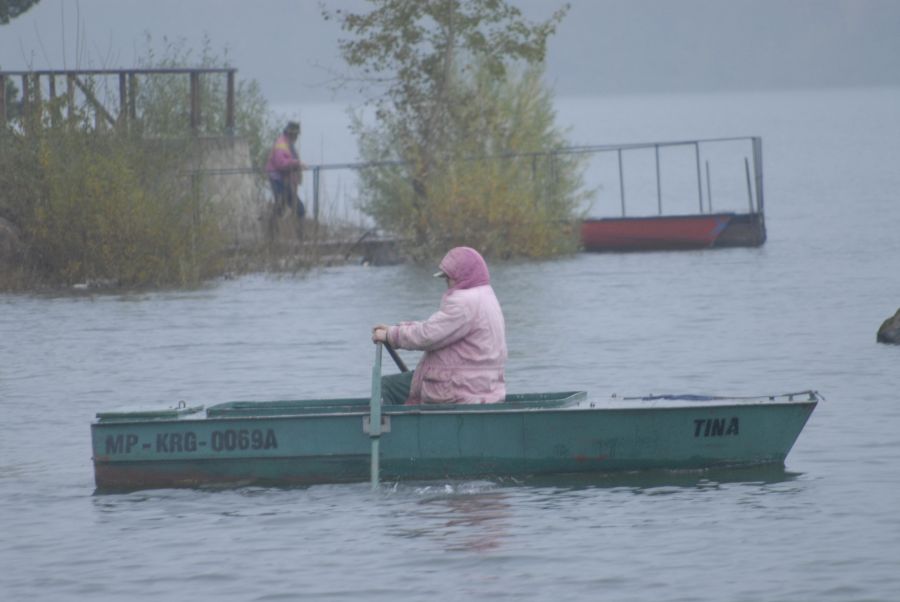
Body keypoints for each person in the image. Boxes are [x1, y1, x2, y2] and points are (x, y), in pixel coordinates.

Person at [372, 246, 507, 405]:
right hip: (481, 384)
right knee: (411, 380)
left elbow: (428, 336)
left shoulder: (464, 302)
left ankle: (389, 429)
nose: (447, 284)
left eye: (447, 278)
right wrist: (395, 329)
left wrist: (391, 335)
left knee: (386, 386)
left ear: (461, 276)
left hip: (459, 387)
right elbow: (439, 328)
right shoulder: (486, 296)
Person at [265, 121, 307, 218]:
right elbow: (281, 163)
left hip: (283, 180)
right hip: (278, 179)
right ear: (292, 134)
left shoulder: (287, 143)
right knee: (299, 210)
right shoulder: (281, 144)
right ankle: (298, 232)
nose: (297, 137)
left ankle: (274, 229)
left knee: (281, 207)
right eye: (296, 134)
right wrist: (297, 163)